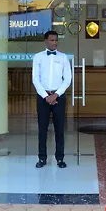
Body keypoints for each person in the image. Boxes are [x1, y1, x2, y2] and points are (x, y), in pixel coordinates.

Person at [32, 30, 72, 169]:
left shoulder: (63, 57)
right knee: (42, 129)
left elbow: (67, 79)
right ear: (46, 41)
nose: (54, 43)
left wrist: (55, 95)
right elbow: (35, 79)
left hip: (58, 97)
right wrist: (46, 96)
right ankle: (42, 158)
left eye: (56, 40)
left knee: (59, 129)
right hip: (42, 97)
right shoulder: (38, 57)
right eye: (52, 40)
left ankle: (60, 158)